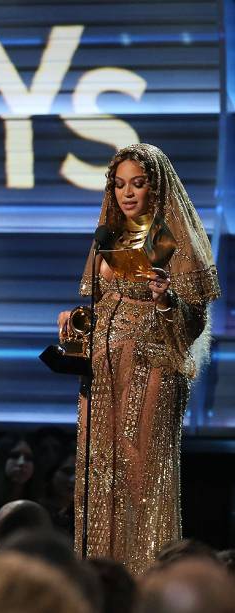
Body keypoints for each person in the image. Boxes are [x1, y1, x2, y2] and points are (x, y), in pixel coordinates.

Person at [58, 144, 219, 575]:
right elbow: (100, 303)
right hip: (102, 377)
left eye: (138, 183)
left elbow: (193, 324)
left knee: (144, 477)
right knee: (100, 477)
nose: (128, 192)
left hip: (152, 373)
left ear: (156, 186)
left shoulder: (170, 238)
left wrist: (166, 299)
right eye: (119, 183)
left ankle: (149, 580)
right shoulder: (108, 236)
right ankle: (100, 577)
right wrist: (76, 319)